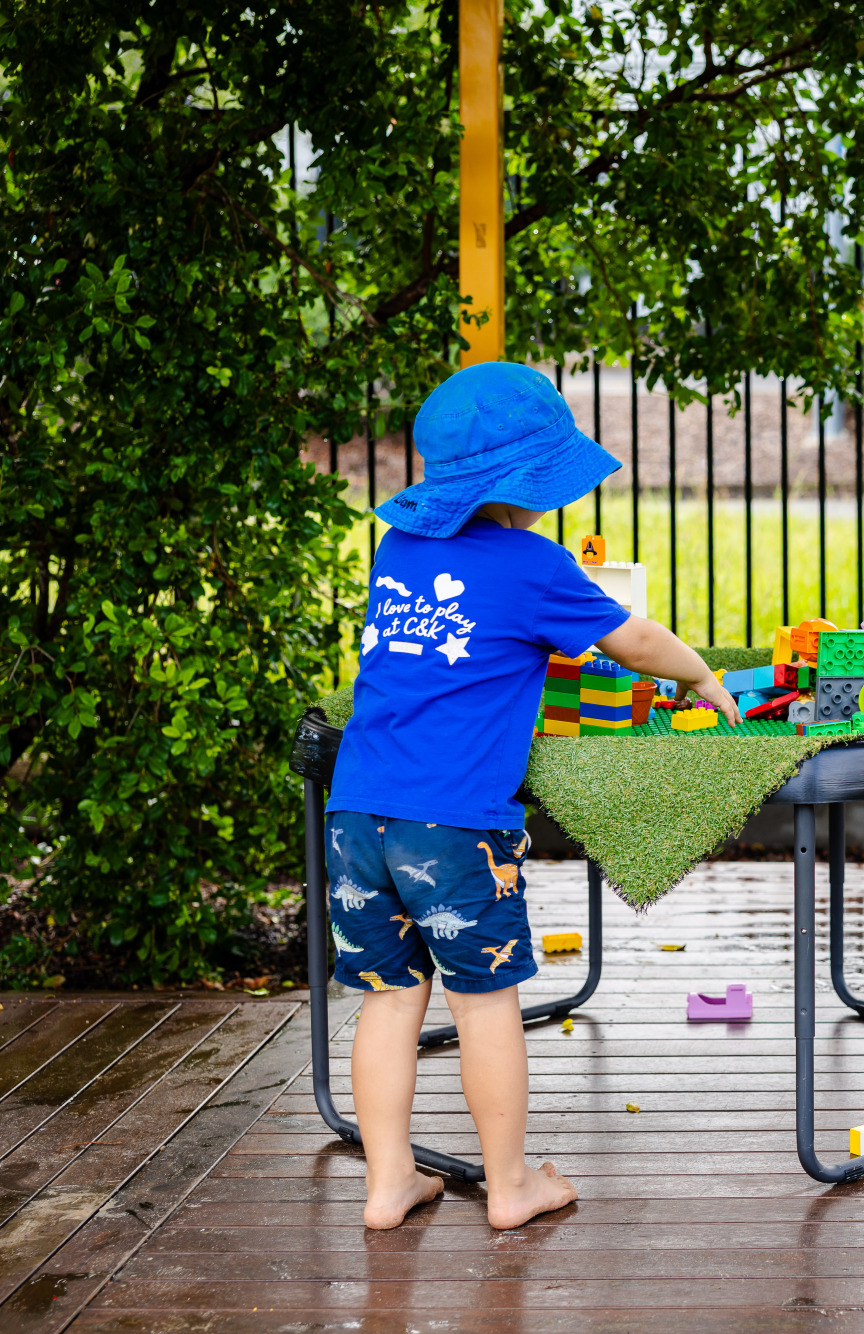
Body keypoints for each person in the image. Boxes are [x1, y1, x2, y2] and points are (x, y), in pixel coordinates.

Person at [324, 361, 741, 1230]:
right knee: (484, 1005)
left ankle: (387, 1184)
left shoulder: (399, 549)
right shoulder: (532, 563)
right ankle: (510, 1186)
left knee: (388, 998)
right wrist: (700, 673)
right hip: (453, 827)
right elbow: (631, 638)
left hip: (356, 811)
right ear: (532, 484)